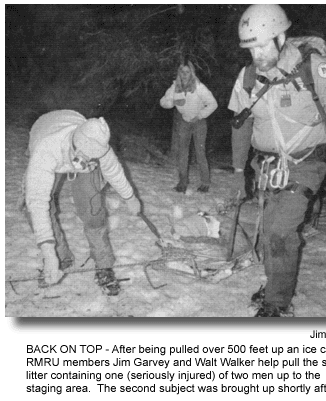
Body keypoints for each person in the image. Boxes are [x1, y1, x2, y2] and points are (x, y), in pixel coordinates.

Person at [231, 5, 326, 317]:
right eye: (251, 48)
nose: (257, 54)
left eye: (262, 45)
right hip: (267, 168)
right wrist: (237, 170)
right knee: (272, 231)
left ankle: (277, 302)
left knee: (279, 232)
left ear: (281, 37)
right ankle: (277, 284)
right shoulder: (248, 76)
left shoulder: (312, 67)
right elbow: (241, 123)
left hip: (306, 164)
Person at [25, 110, 141, 295]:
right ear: (77, 148)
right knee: (35, 208)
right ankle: (60, 258)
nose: (90, 160)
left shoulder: (98, 143)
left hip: (73, 126)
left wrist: (130, 197)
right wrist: (49, 254)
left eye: (95, 157)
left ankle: (104, 266)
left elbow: (114, 171)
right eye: (87, 157)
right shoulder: (46, 150)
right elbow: (37, 203)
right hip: (46, 133)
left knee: (92, 209)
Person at [160, 58, 218, 193]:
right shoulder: (175, 87)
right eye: (182, 71)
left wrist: (200, 115)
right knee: (183, 153)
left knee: (200, 152)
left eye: (187, 71)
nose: (184, 74)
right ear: (179, 73)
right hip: (184, 122)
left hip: (199, 122)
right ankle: (182, 181)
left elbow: (213, 104)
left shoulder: (199, 87)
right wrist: (173, 102)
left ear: (191, 72)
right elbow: (163, 102)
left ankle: (205, 182)